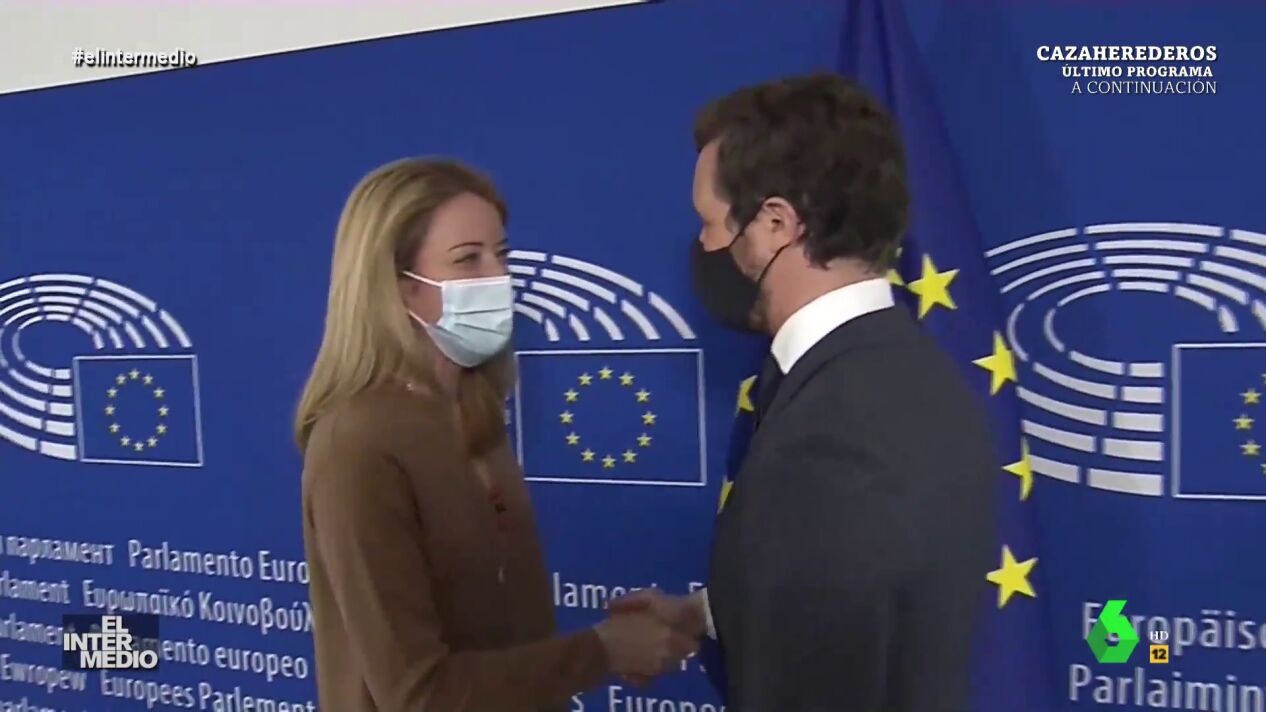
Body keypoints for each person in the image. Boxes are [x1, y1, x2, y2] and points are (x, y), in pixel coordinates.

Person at [611, 73, 997, 711]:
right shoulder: (905, 370)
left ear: (774, 224)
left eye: (709, 222)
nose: (703, 245)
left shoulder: (832, 435)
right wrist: (708, 613)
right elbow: (849, 599)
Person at [295, 158, 697, 711]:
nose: (498, 278)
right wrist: (602, 650)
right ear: (401, 289)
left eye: (501, 255)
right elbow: (418, 695)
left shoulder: (474, 413)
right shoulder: (357, 445)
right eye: (468, 259)